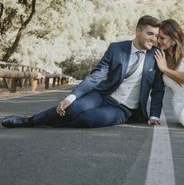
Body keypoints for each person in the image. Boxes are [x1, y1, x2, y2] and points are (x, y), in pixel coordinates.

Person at [2, 15, 165, 128]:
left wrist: (154, 115)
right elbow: (97, 75)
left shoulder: (156, 56)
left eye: (156, 36)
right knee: (72, 108)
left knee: (89, 119)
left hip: (123, 109)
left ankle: (47, 123)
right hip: (102, 95)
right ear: (138, 30)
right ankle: (29, 121)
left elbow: (158, 89)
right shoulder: (116, 48)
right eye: (149, 33)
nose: (153, 39)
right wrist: (72, 96)